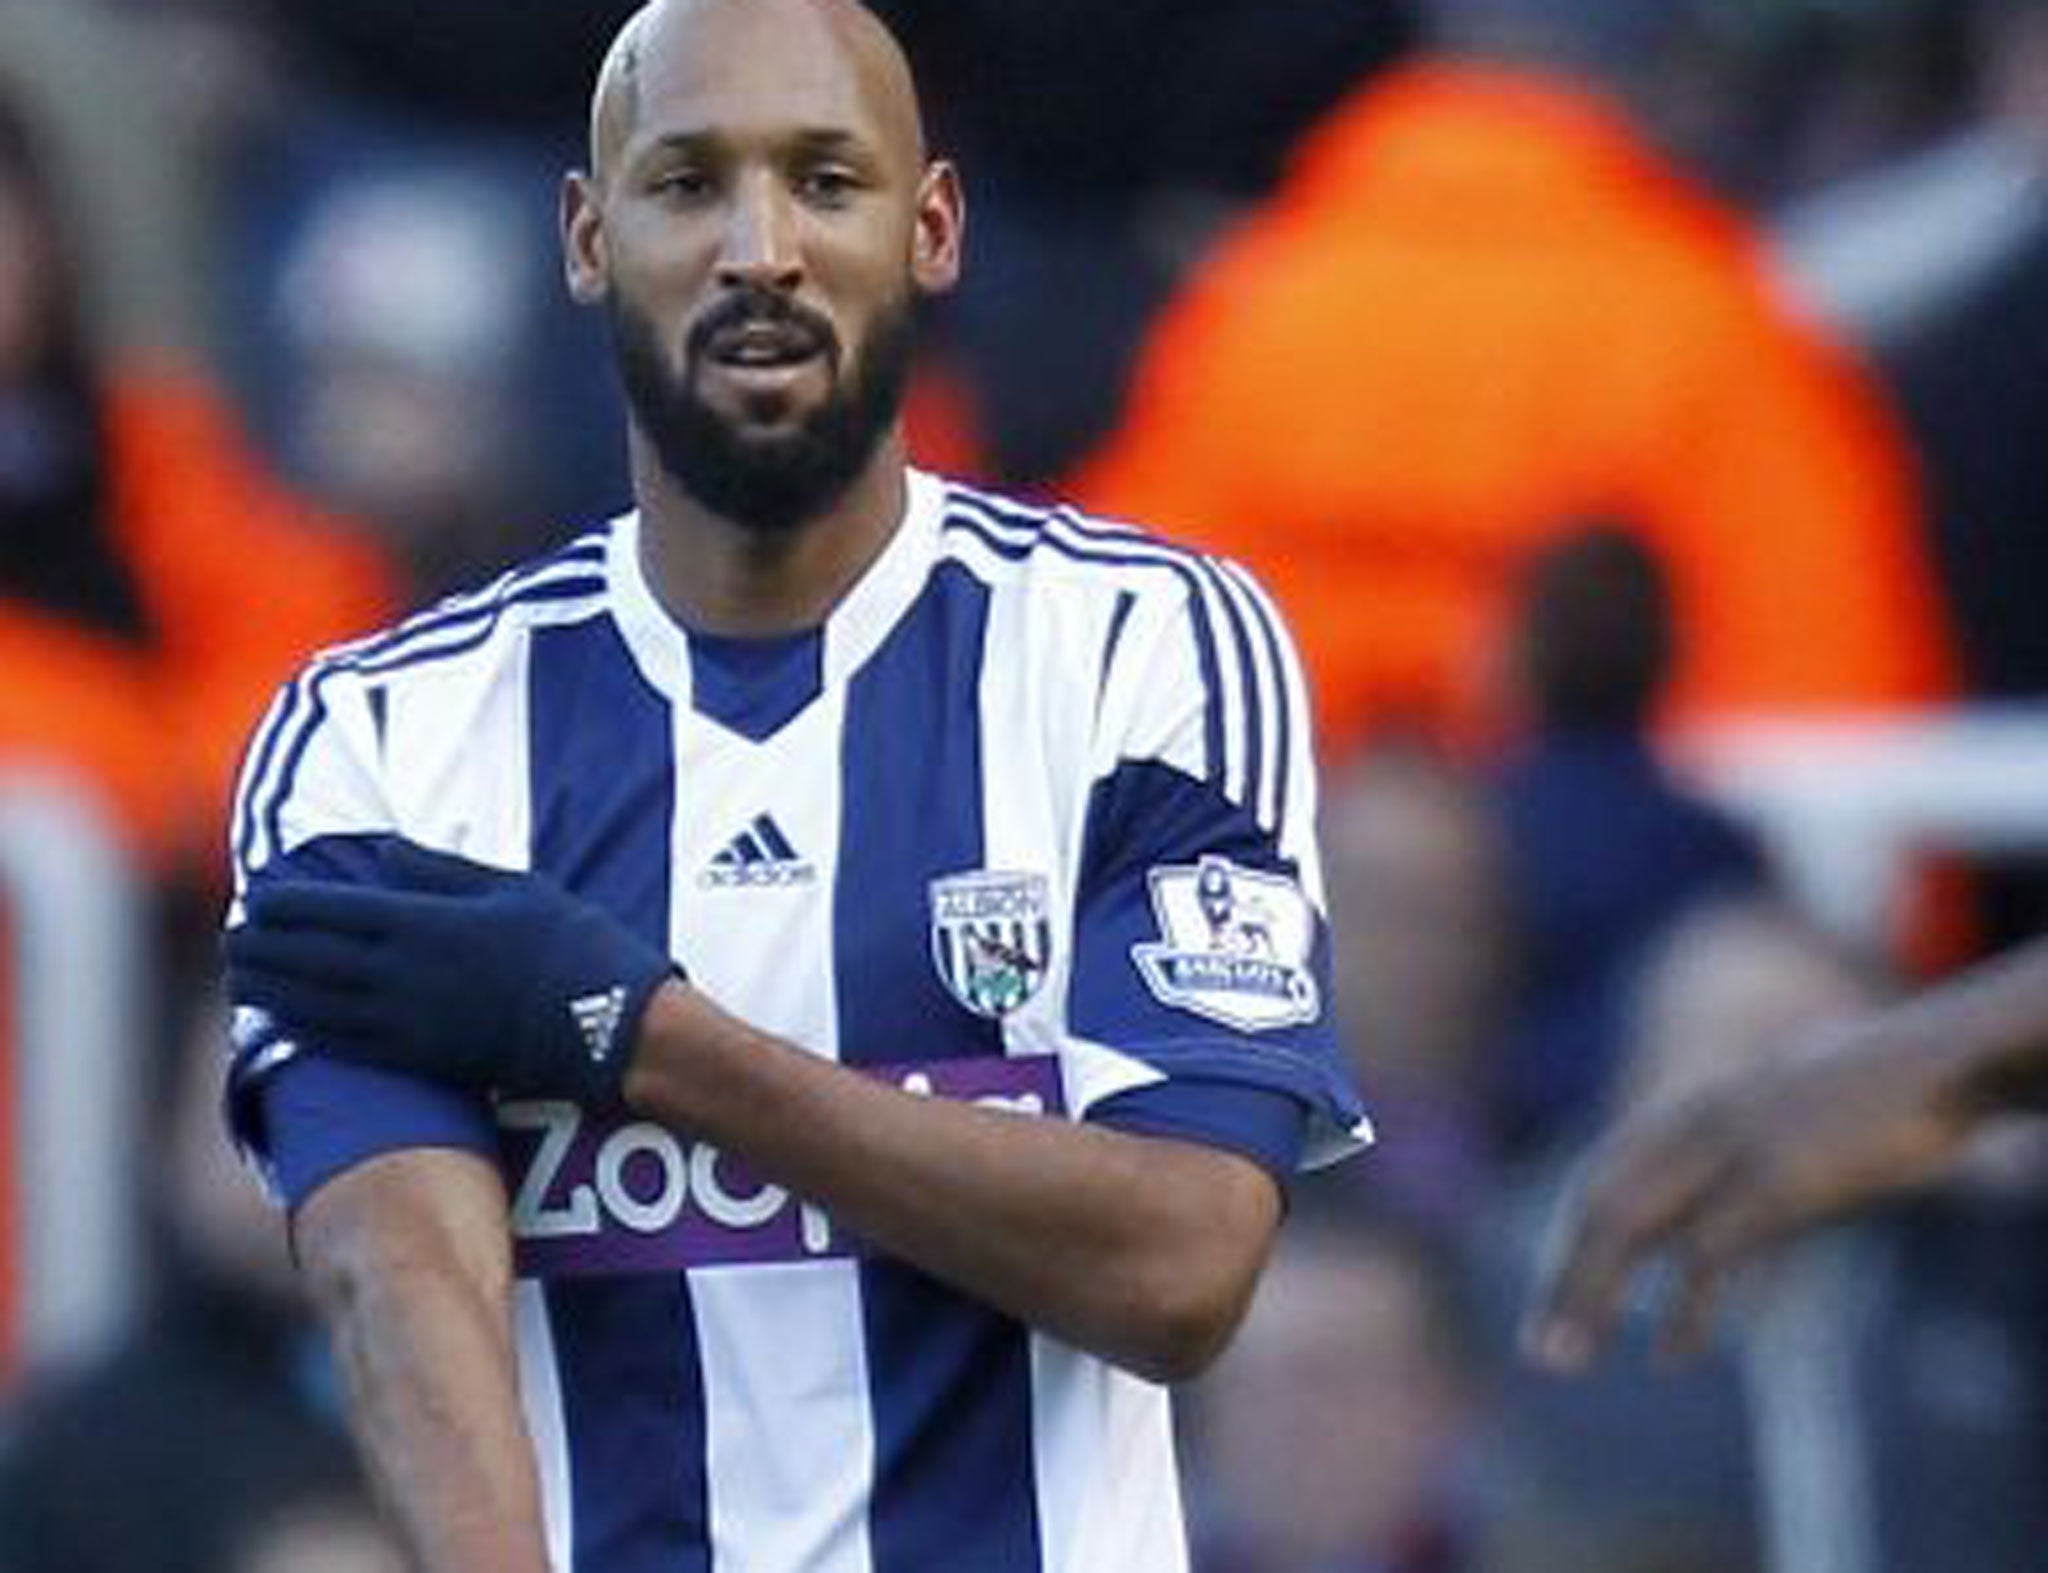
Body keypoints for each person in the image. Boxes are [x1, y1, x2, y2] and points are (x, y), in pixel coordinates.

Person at [220, 2, 1369, 1570]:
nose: (759, 248)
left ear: (934, 226)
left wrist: (635, 1037)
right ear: (586, 236)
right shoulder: (383, 733)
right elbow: (395, 1281)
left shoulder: (1141, 647)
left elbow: (1181, 1263)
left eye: (826, 183)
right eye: (687, 185)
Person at [1523, 933, 2048, 1372]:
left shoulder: (1979, 1266)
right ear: (1640, 1080)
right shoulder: (1520, 1275)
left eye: (1810, 1059)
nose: (1772, 1108)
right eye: (1729, 1041)